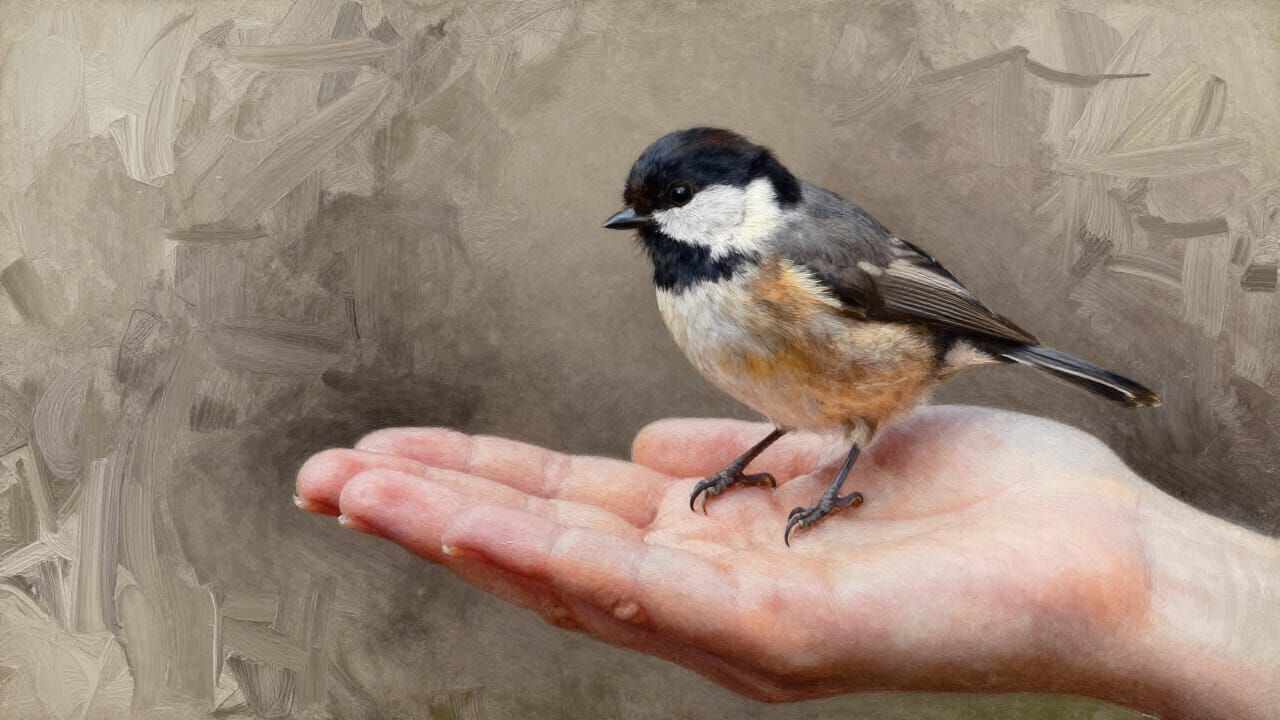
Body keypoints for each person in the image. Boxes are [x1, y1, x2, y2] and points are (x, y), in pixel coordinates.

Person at [294, 405, 1280, 720]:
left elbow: (858, 375)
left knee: (827, 427)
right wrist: (1162, 580)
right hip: (806, 415)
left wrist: (1145, 576)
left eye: (669, 205)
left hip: (867, 397)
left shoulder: (780, 258)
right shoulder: (699, 278)